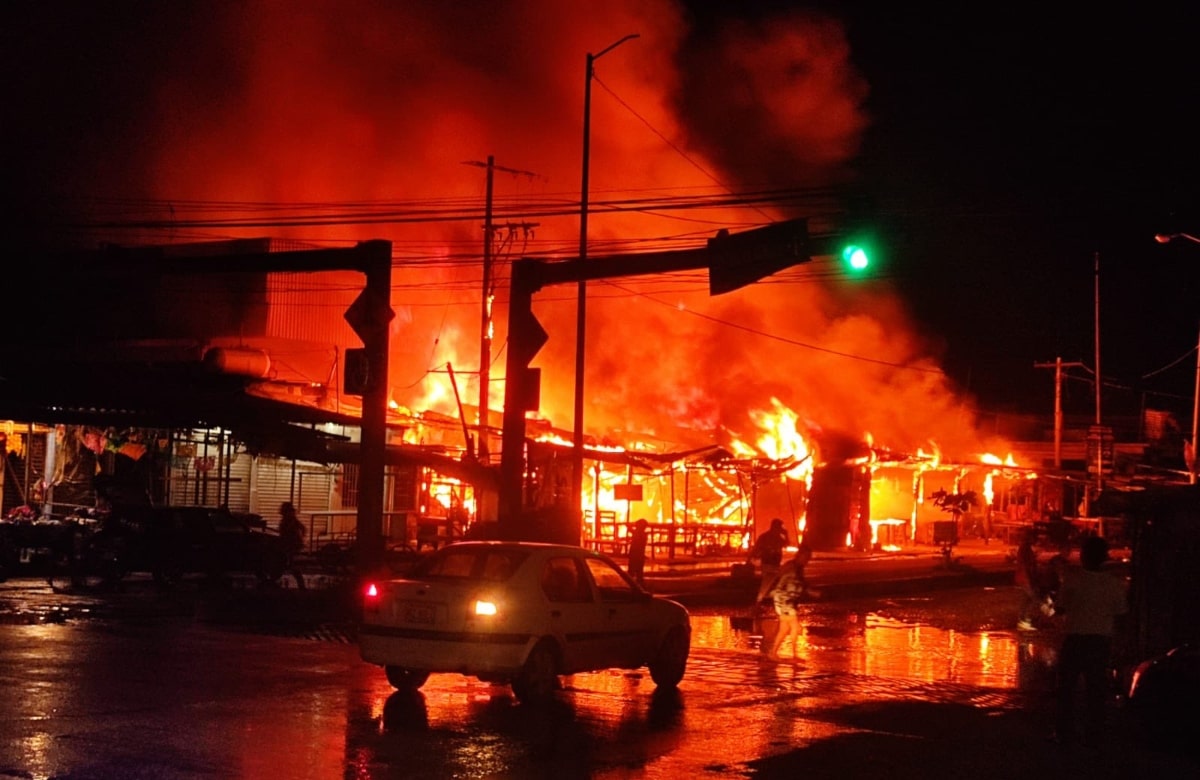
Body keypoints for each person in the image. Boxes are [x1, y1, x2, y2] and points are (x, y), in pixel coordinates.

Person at [1052, 535, 1128, 746]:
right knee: (1096, 689)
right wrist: (1119, 646)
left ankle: (1064, 732)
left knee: (1066, 689)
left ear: (1084, 556)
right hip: (1100, 642)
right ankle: (1094, 733)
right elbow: (1121, 617)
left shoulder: (1072, 580)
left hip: (1075, 640)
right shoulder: (1115, 585)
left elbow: (1059, 609)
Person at [765, 542, 813, 661]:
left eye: (809, 558)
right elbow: (776, 578)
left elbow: (801, 583)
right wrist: (766, 594)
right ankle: (792, 654)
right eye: (806, 558)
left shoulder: (799, 568)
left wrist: (810, 591)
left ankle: (774, 652)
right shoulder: (790, 566)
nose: (807, 561)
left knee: (785, 628)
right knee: (795, 627)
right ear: (800, 555)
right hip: (784, 600)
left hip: (788, 600)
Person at [748, 517, 790, 605]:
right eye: (780, 527)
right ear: (775, 527)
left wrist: (786, 535)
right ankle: (760, 600)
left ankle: (764, 599)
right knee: (768, 581)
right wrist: (752, 557)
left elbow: (786, 544)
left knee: (771, 581)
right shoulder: (765, 537)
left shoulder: (777, 538)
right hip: (768, 563)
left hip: (774, 563)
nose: (781, 529)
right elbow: (757, 547)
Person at [1015, 528, 1042, 631]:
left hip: (1024, 577)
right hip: (1024, 578)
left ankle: (1023, 619)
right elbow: (1025, 565)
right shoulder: (1025, 548)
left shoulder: (1026, 548)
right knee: (1034, 598)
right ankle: (1024, 620)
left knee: (1027, 599)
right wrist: (1029, 580)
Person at [278, 501, 306, 590]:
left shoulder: (290, 520)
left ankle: (300, 583)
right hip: (290, 543)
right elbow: (303, 528)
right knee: (289, 561)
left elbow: (302, 529)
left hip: (290, 544)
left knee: (291, 562)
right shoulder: (290, 519)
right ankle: (300, 583)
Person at [626, 519, 649, 586]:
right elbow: (632, 531)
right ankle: (636, 585)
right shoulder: (640, 533)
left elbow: (634, 532)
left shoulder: (641, 534)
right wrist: (629, 527)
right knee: (636, 572)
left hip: (636, 555)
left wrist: (629, 527)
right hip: (637, 555)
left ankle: (635, 585)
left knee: (635, 571)